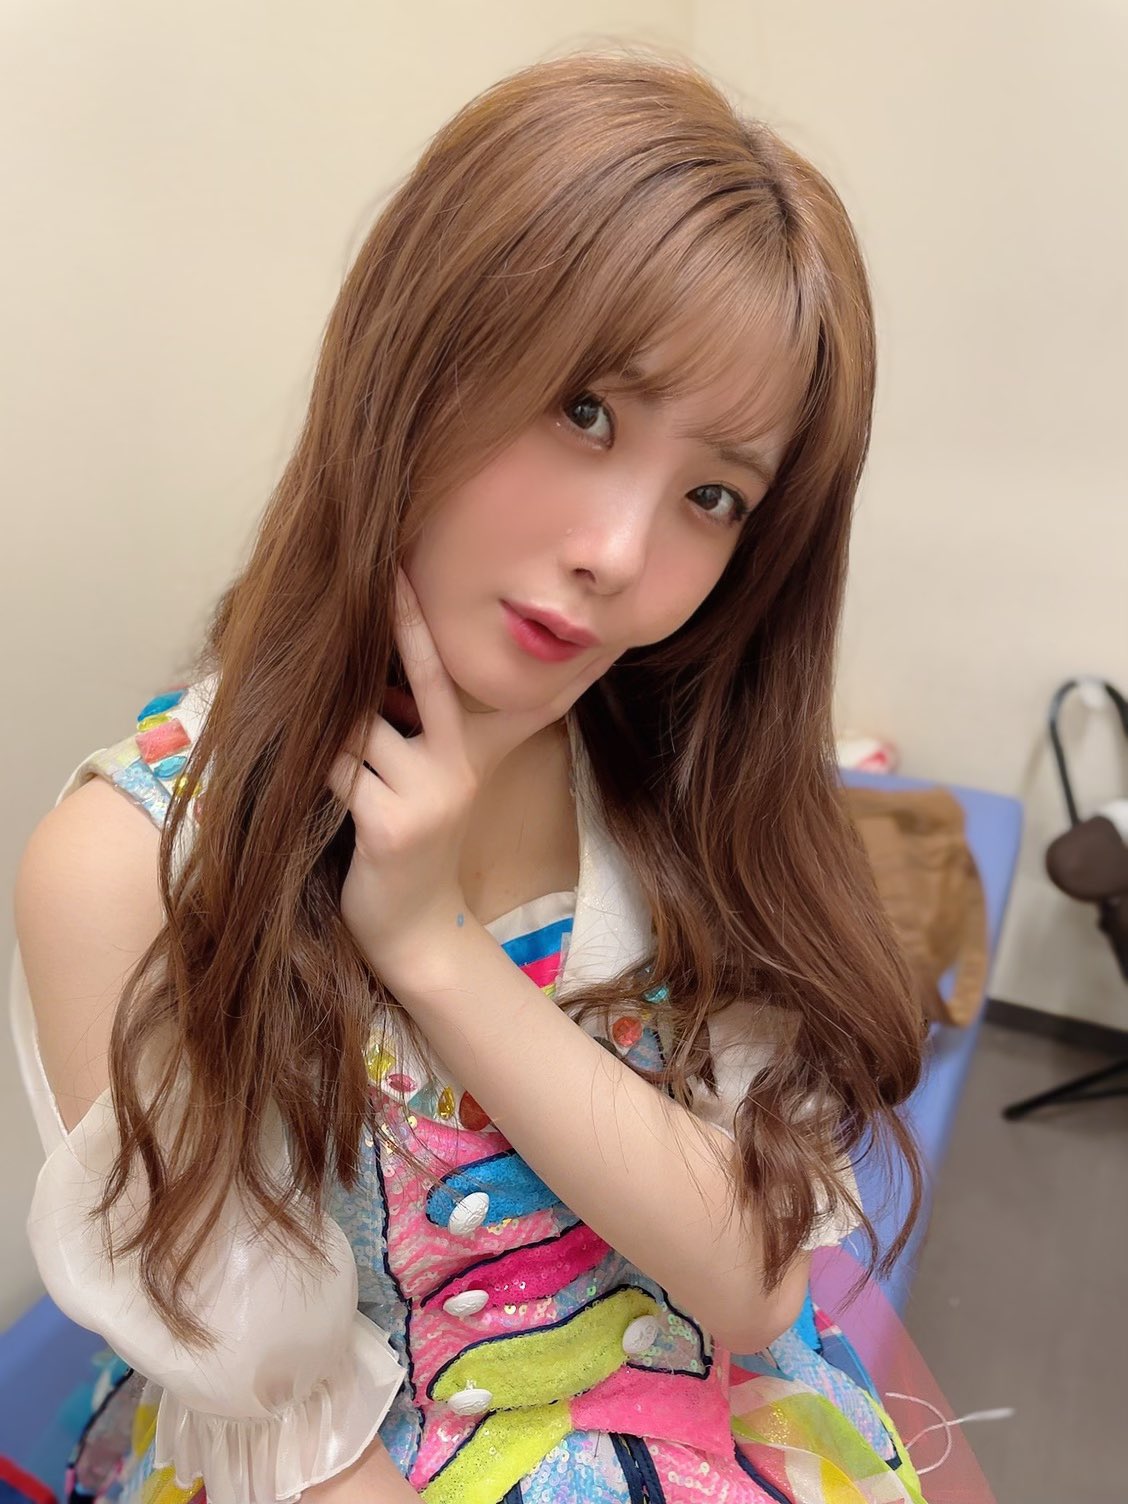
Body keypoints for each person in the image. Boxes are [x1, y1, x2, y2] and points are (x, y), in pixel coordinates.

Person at [12, 48, 959, 1504]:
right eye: (586, 411)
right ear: (421, 353)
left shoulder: (676, 774)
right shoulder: (134, 868)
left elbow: (755, 1285)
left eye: (713, 495)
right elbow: (284, 1437)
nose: (620, 555)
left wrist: (439, 950)